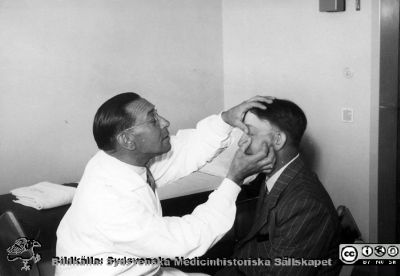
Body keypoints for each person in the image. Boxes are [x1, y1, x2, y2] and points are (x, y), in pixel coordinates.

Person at [55, 92, 276, 276]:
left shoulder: (118, 159)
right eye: (153, 119)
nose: (165, 122)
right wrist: (234, 179)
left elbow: (186, 150)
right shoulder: (110, 202)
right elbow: (186, 241)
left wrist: (225, 119)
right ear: (127, 139)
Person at [216, 99, 341, 276]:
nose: (241, 142)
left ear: (277, 139)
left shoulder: (306, 204)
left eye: (249, 133)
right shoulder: (275, 174)